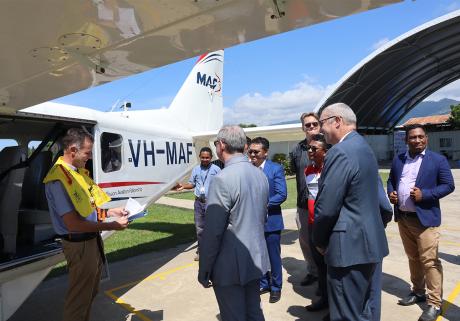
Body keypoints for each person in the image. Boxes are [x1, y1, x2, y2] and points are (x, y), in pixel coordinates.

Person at [313, 103, 389, 321]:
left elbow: (327, 208)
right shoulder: (363, 147)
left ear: (337, 121)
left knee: (347, 315)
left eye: (322, 123)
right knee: (365, 310)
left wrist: (319, 240)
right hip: (367, 243)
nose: (320, 130)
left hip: (348, 249)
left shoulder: (340, 152)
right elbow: (377, 198)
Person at [44, 128, 129, 321]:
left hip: (90, 242)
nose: (89, 158)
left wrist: (110, 212)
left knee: (89, 293)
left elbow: (86, 210)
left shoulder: (75, 175)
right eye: (87, 153)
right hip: (79, 245)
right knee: (78, 301)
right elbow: (73, 223)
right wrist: (112, 226)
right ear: (73, 150)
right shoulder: (59, 180)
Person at [198, 125, 270, 321]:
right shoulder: (260, 174)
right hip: (255, 258)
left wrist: (204, 269)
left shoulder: (222, 179)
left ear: (221, 145)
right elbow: (262, 217)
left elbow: (213, 232)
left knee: (234, 316)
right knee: (255, 312)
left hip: (229, 265)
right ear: (244, 146)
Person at [387, 124, 455, 321]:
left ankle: (434, 303)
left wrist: (425, 194)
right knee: (413, 257)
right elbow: (392, 179)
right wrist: (391, 192)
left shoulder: (437, 160)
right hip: (404, 217)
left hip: (425, 220)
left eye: (420, 137)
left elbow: (448, 185)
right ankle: (418, 292)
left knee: (430, 261)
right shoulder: (399, 159)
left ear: (426, 138)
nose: (417, 140)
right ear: (406, 140)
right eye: (412, 137)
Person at [249, 137, 287, 303]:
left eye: (256, 151)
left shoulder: (275, 169)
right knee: (259, 256)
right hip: (252, 223)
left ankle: (276, 287)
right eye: (250, 151)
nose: (252, 154)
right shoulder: (247, 169)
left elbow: (281, 194)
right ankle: (263, 283)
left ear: (265, 152)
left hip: (271, 221)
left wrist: (262, 205)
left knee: (273, 256)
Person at [289, 112, 320, 286]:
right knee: (306, 241)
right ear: (303, 128)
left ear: (320, 125)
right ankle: (313, 271)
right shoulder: (296, 150)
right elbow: (296, 172)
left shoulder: (330, 146)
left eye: (314, 124)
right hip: (303, 205)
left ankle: (328, 274)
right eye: (307, 125)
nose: (311, 127)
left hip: (325, 205)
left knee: (326, 242)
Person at [176, 147, 221, 261]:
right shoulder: (196, 169)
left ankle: (214, 251)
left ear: (211, 158)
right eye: (203, 157)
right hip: (198, 203)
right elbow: (192, 184)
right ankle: (201, 252)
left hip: (212, 203)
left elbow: (222, 185)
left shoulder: (216, 169)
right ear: (200, 157)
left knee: (212, 229)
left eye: (207, 157)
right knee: (200, 229)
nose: (205, 159)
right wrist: (183, 186)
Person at [303, 134, 329, 313]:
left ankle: (334, 306)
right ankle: (324, 299)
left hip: (328, 226)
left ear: (326, 152)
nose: (310, 151)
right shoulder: (307, 171)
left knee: (331, 267)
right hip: (312, 224)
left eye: (314, 149)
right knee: (319, 264)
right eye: (309, 148)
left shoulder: (331, 170)